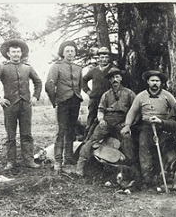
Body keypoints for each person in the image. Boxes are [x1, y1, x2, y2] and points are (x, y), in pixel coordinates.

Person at [0, 39, 42, 172]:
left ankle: (29, 160)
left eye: (18, 52)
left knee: (27, 134)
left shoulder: (27, 68)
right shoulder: (3, 67)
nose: (16, 54)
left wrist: (35, 97)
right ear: (8, 54)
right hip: (9, 106)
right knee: (10, 135)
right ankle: (11, 162)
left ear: (21, 53)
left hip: (26, 106)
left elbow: (38, 82)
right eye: (13, 52)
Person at [75, 67, 136, 177]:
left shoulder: (129, 93)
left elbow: (135, 111)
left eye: (117, 77)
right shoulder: (106, 95)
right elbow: (101, 109)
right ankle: (80, 165)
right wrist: (101, 119)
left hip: (122, 121)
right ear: (109, 80)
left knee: (127, 138)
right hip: (107, 120)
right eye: (112, 78)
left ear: (121, 78)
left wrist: (127, 125)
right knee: (91, 140)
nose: (114, 80)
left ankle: (130, 167)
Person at [121, 70, 176, 187]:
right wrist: (127, 125)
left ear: (161, 83)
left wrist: (171, 123)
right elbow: (132, 111)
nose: (155, 83)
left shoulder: (167, 95)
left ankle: (163, 176)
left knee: (165, 147)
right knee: (143, 145)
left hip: (163, 126)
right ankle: (146, 177)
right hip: (146, 126)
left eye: (157, 81)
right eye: (152, 81)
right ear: (148, 82)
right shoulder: (141, 96)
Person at [45, 41, 83, 174]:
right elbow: (49, 86)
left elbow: (79, 85)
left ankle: (68, 158)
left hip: (75, 101)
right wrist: (55, 100)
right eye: (67, 51)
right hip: (63, 102)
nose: (70, 53)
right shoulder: (56, 67)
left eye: (72, 51)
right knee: (61, 131)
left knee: (71, 130)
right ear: (62, 53)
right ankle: (57, 161)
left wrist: (77, 96)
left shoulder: (78, 68)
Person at [82, 46, 113, 140]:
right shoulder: (94, 71)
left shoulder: (113, 70)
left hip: (108, 100)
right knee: (91, 119)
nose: (104, 59)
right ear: (98, 58)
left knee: (107, 120)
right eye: (102, 57)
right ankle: (87, 140)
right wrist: (89, 92)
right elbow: (83, 81)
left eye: (106, 57)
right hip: (95, 99)